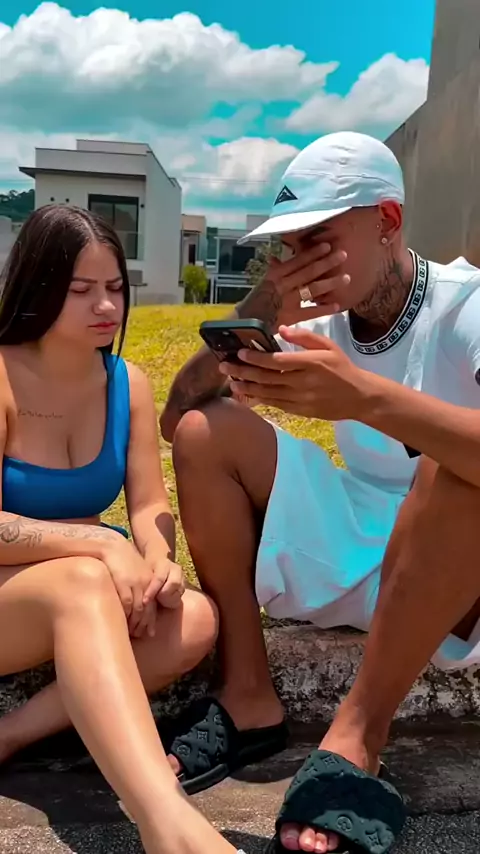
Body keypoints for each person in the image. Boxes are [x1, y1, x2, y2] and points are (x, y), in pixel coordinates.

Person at [160, 132, 480, 854]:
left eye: (319, 238)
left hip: (459, 563)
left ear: (387, 221)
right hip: (362, 533)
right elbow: (175, 417)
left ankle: (358, 737)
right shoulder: (315, 320)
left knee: (453, 465)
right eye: (290, 244)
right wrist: (265, 305)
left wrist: (365, 398)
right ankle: (247, 695)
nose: (300, 258)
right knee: (208, 434)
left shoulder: (467, 305)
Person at [0, 204, 243, 854]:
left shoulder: (124, 383)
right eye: (81, 290)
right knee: (82, 581)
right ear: (38, 288)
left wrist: (157, 557)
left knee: (194, 619)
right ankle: (165, 821)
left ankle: (11, 735)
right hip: (18, 598)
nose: (106, 306)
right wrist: (101, 542)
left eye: (114, 286)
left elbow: (147, 504)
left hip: (72, 592)